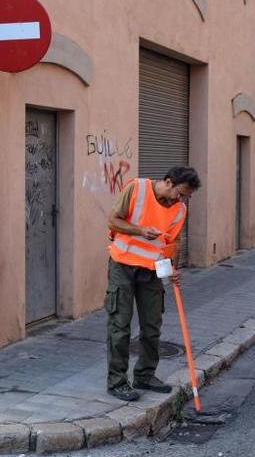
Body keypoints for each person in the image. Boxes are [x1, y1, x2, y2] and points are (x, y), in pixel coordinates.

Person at [104, 166, 200, 401]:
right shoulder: (137, 189)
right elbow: (113, 221)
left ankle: (145, 375)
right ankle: (117, 381)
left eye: (186, 195)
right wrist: (139, 230)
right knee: (120, 324)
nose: (182, 198)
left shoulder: (179, 209)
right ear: (168, 182)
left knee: (152, 325)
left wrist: (172, 269)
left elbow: (173, 242)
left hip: (153, 270)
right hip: (123, 264)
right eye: (181, 192)